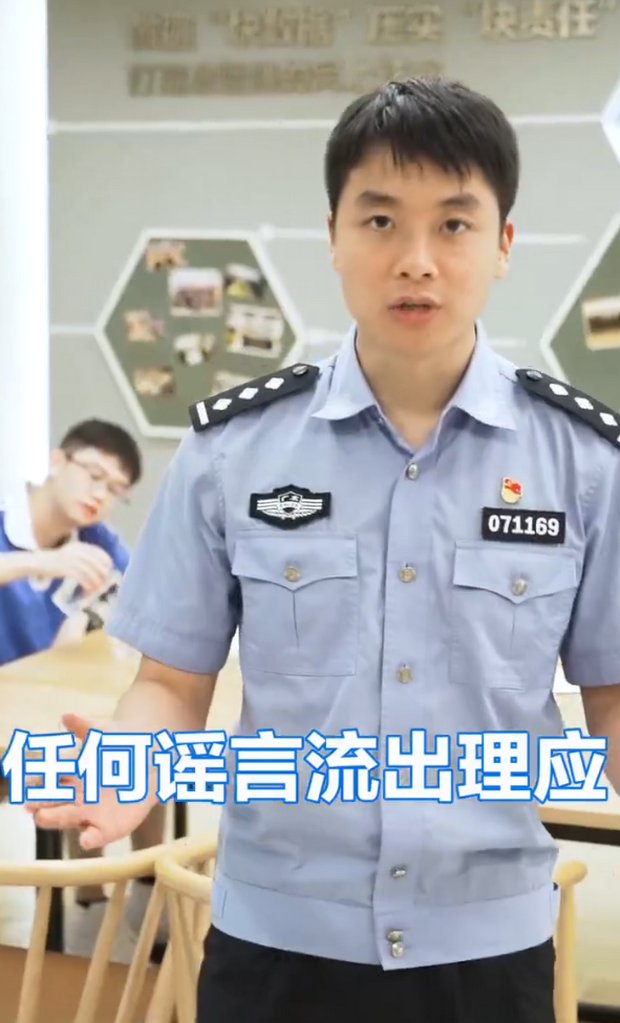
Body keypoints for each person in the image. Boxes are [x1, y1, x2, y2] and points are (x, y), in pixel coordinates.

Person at [27, 77, 620, 1022]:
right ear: (335, 237)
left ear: (504, 243)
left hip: (487, 951)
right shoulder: (232, 451)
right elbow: (170, 684)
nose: (416, 260)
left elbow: (612, 701)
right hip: (277, 946)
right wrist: (132, 763)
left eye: (454, 224)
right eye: (380, 221)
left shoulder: (585, 464)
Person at [0, 419, 166, 927]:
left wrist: (93, 620)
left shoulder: (96, 541)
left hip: (45, 711)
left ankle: (136, 894)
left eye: (116, 489)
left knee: (137, 741)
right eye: (94, 475)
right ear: (57, 461)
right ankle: (90, 901)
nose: (101, 495)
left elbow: (141, 601)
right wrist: (39, 563)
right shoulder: (9, 519)